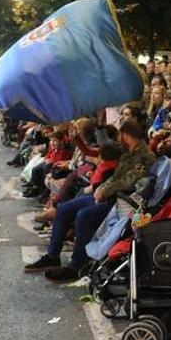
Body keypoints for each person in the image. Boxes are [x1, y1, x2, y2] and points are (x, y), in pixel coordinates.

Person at [25, 120, 155, 282]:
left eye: (121, 134)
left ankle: (77, 265)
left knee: (84, 215)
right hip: (107, 195)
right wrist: (101, 189)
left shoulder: (145, 157)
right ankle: (52, 256)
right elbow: (114, 175)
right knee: (64, 208)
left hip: (121, 202)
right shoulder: (126, 150)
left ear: (126, 135)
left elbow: (130, 180)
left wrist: (105, 190)